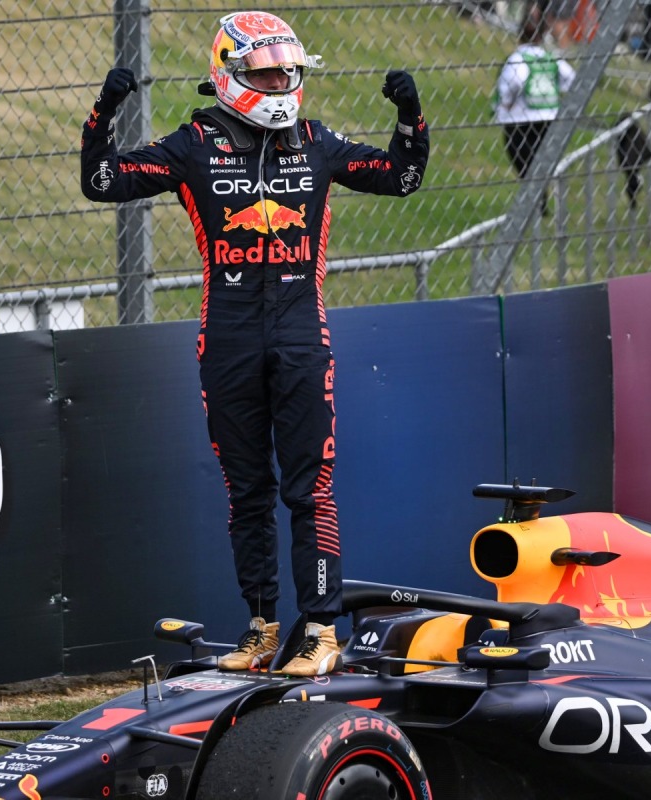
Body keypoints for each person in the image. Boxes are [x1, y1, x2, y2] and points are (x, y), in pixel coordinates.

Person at [80, 11, 429, 676]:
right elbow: (101, 182)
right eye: (264, 71)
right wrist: (105, 111)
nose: (278, 81)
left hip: (302, 338)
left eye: (286, 70)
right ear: (230, 73)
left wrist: (410, 118)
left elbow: (401, 177)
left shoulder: (318, 142)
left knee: (310, 489)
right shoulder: (192, 145)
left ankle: (321, 632)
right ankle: (262, 629)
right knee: (247, 492)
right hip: (229, 341)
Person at [493, 4, 576, 215]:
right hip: (547, 118)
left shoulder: (518, 59)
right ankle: (539, 201)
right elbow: (571, 79)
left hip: (520, 122)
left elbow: (514, 82)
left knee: (524, 164)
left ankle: (534, 203)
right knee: (540, 162)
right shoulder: (551, 59)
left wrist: (506, 103)